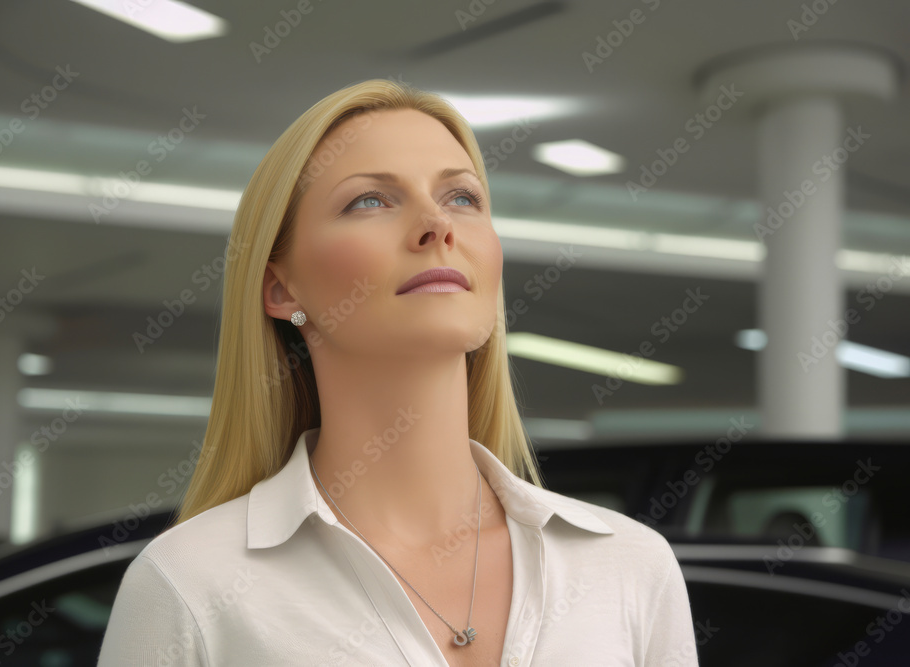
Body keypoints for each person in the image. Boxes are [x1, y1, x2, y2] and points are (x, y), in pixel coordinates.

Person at [97, 78, 699, 667]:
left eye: (462, 197)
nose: (438, 226)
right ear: (280, 287)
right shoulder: (189, 585)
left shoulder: (630, 566)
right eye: (371, 200)